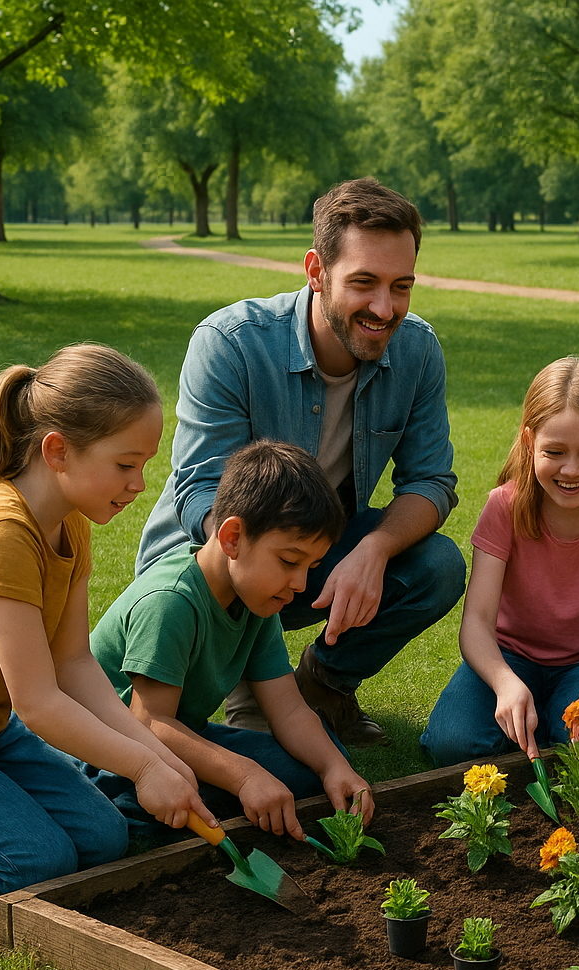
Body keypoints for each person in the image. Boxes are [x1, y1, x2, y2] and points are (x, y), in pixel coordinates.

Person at [135, 177, 466, 749]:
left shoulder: (417, 349)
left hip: (316, 553)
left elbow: (432, 481)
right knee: (256, 753)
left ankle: (322, 684)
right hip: (211, 559)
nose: (385, 308)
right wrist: (249, 582)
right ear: (316, 271)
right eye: (363, 283)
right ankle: (248, 675)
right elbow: (201, 494)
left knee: (436, 565)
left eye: (401, 286)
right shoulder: (231, 341)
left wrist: (373, 550)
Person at [0, 345, 213, 897]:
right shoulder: (0, 532)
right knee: (39, 867)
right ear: (57, 451)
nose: (139, 484)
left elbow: (72, 664)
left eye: (144, 465)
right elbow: (38, 700)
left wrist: (159, 756)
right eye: (125, 464)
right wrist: (143, 772)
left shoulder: (71, 524)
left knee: (103, 841)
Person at [89, 440, 374, 842]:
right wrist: (245, 777)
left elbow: (290, 710)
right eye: (289, 562)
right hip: (115, 754)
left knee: (315, 767)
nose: (300, 584)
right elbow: (149, 722)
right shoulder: (170, 601)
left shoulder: (257, 599)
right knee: (151, 815)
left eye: (311, 566)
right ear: (233, 537)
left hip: (180, 738)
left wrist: (334, 768)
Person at [419, 357, 579, 765]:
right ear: (529, 442)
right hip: (508, 657)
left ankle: (550, 720)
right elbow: (476, 623)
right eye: (554, 451)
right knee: (451, 744)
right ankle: (532, 718)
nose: (571, 469)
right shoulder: (504, 507)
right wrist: (504, 684)